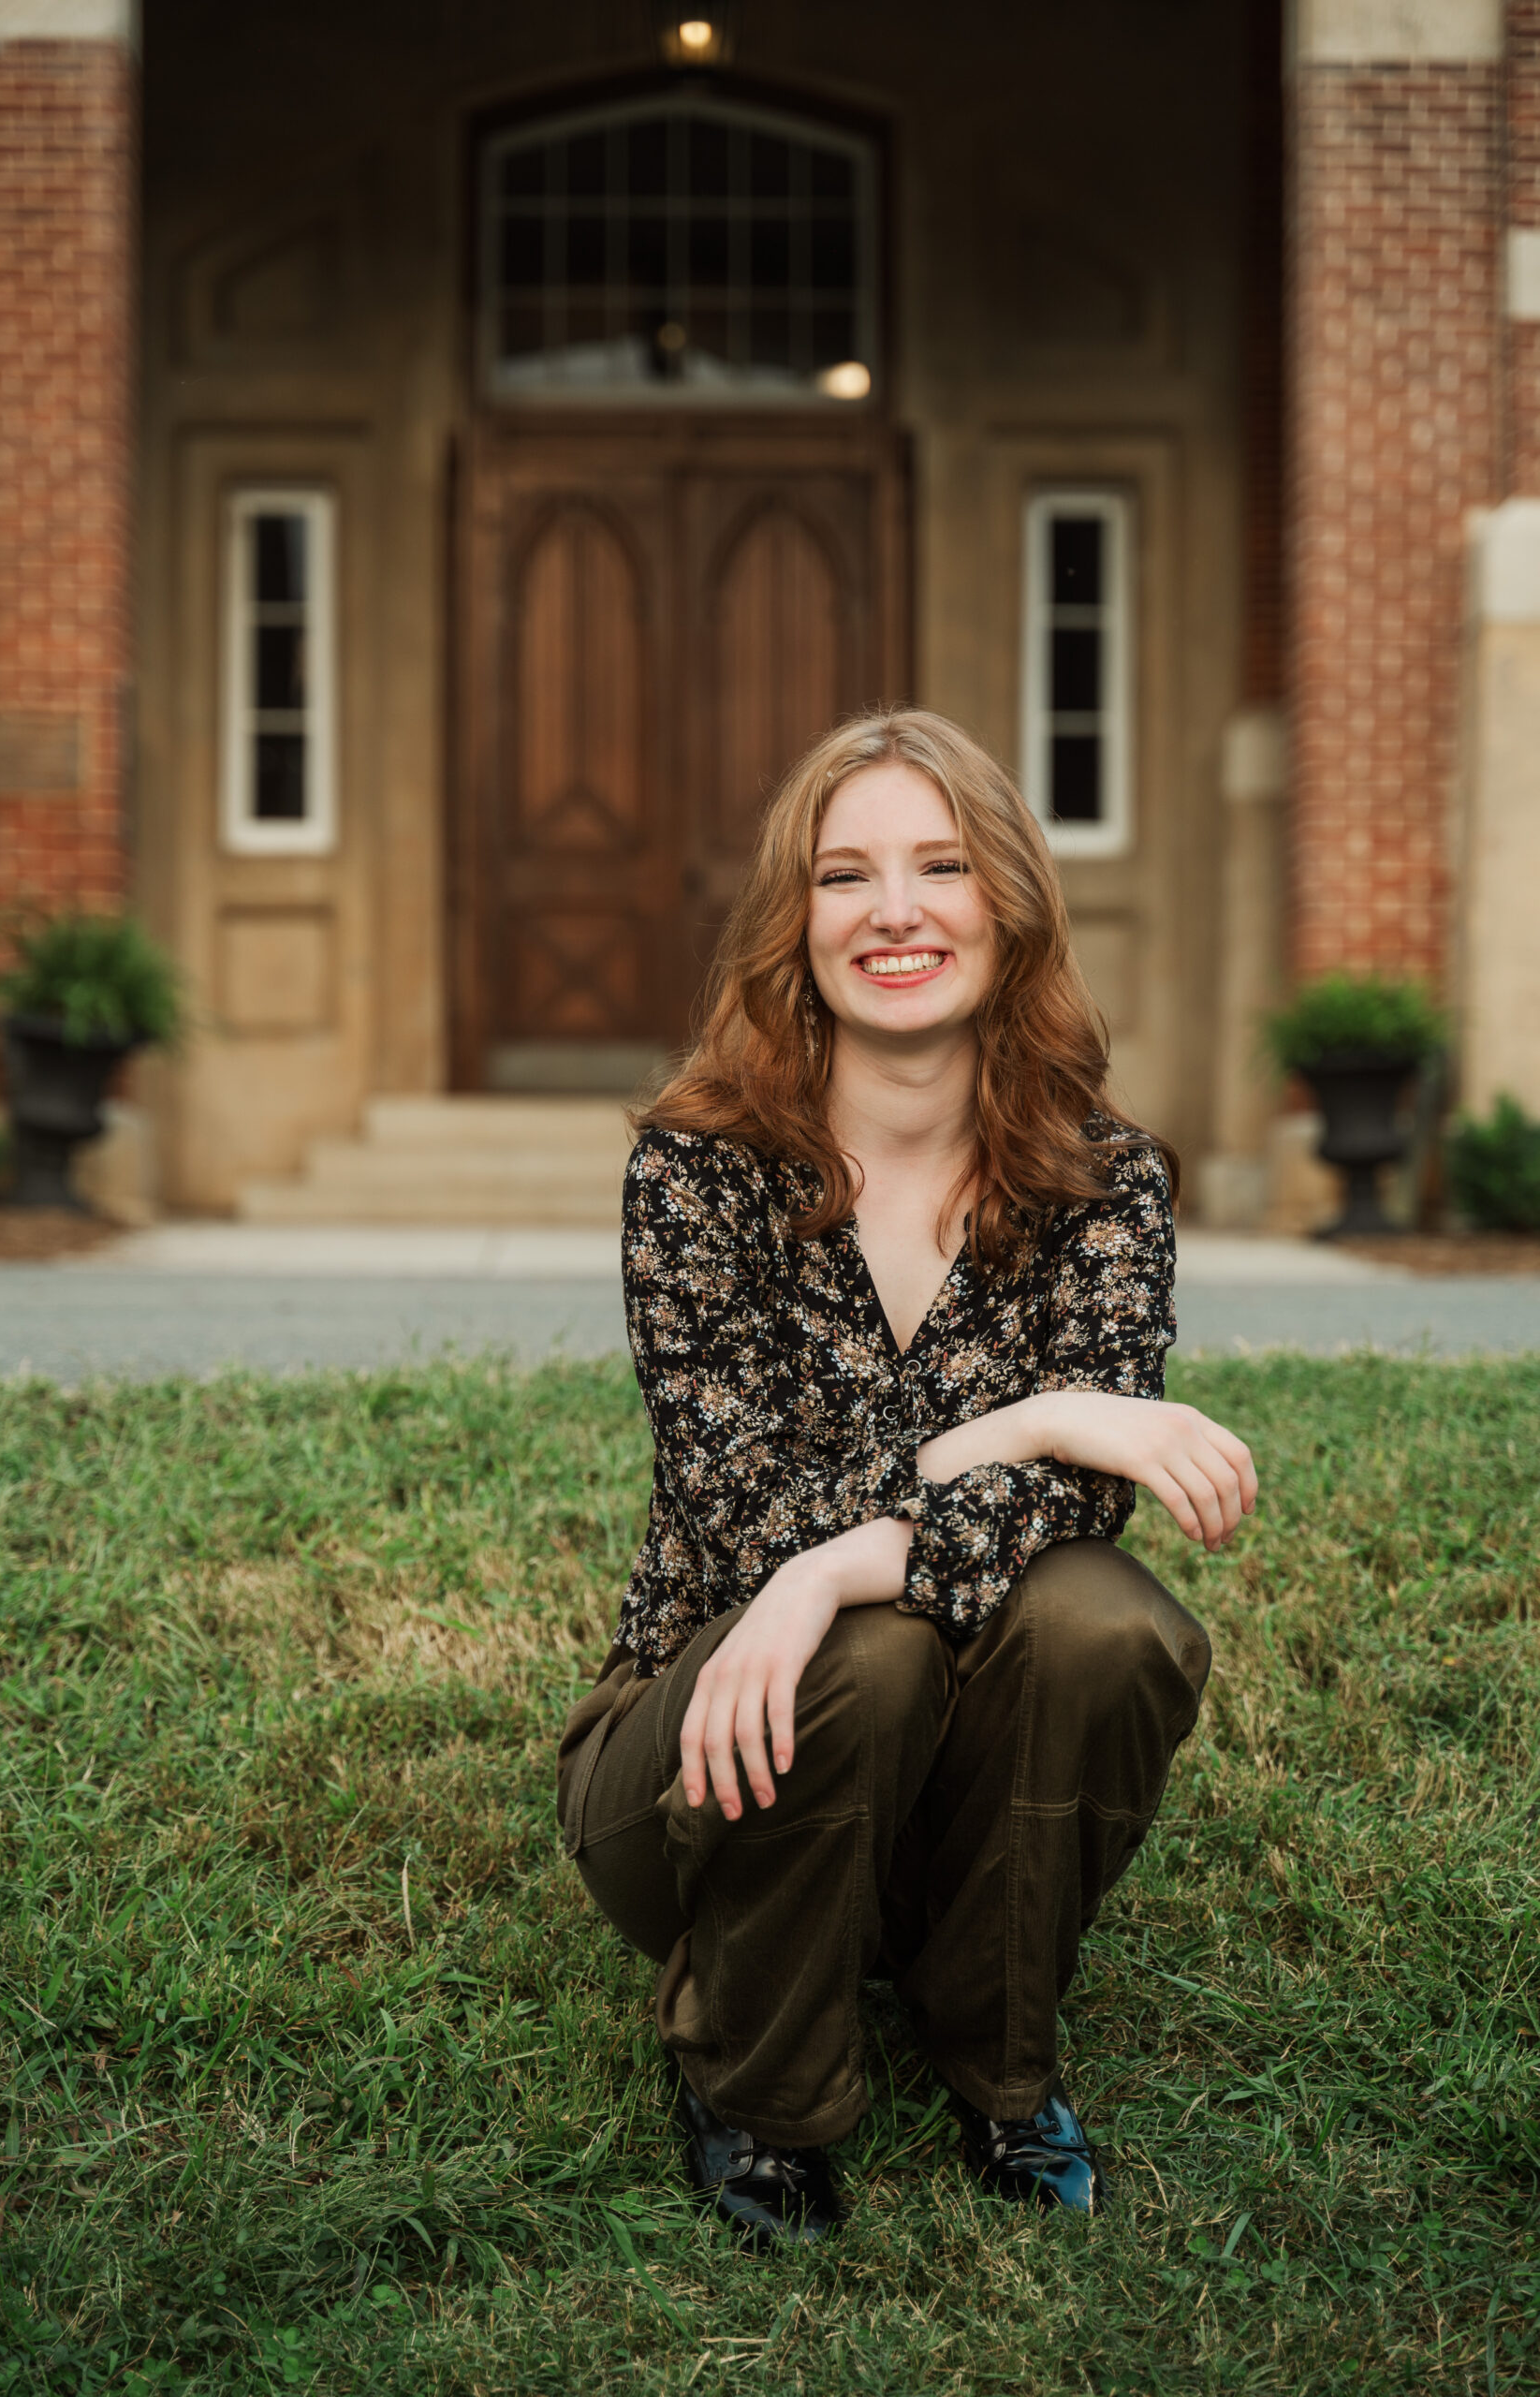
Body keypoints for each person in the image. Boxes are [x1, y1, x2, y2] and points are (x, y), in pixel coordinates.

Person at [556, 709, 1256, 2246]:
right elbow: (752, 1507)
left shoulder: (1104, 1177)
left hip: (944, 1784)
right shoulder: (697, 1172)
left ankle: (996, 2056)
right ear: (793, 924)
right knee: (858, 1648)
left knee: (1104, 1621)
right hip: (694, 1752)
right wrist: (1034, 1420)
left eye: (940, 866)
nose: (896, 912)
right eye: (845, 874)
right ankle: (758, 2084)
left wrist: (883, 1533)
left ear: (1006, 904)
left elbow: (1084, 1517)